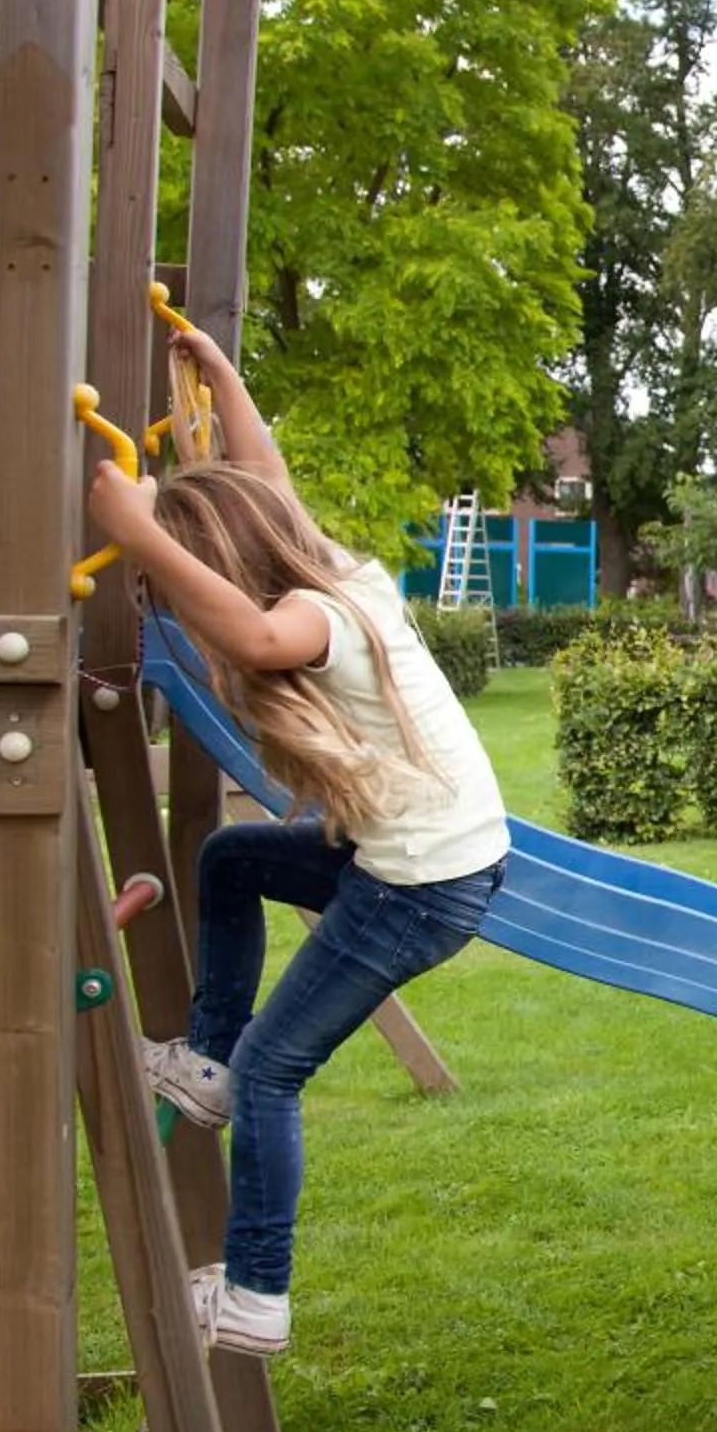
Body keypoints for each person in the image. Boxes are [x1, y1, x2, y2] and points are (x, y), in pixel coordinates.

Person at [87, 322, 510, 1359]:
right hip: (427, 862)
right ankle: (206, 1062)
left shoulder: (317, 612)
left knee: (281, 1072)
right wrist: (223, 376)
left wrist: (140, 535)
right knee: (231, 858)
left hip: (415, 888)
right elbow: (263, 474)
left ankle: (256, 1294)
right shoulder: (341, 569)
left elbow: (255, 635)